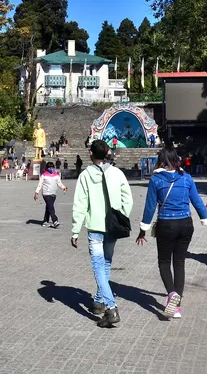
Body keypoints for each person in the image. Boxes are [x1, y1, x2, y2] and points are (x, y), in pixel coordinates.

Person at [137, 148, 207, 320]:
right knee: (179, 263)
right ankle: (177, 307)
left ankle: (172, 293)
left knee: (164, 262)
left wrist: (143, 230)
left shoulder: (156, 180)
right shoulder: (186, 178)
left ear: (160, 160)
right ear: (176, 160)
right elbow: (197, 203)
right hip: (186, 225)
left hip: (166, 225)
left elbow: (150, 207)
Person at [71, 139, 133, 329]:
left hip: (96, 227)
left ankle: (111, 307)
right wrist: (122, 216)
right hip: (112, 227)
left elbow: (80, 204)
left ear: (90, 153)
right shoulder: (117, 173)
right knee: (106, 263)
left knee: (98, 265)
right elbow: (128, 199)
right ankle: (98, 300)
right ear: (107, 152)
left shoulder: (85, 176)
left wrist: (75, 230)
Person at [35, 161, 67, 228]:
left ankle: (45, 220)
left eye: (52, 167)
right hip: (46, 193)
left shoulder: (56, 176)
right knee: (51, 207)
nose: (51, 168)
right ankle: (55, 220)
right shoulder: (44, 175)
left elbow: (59, 183)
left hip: (53, 194)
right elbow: (40, 184)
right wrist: (36, 193)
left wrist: (63, 187)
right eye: (49, 167)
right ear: (47, 168)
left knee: (49, 207)